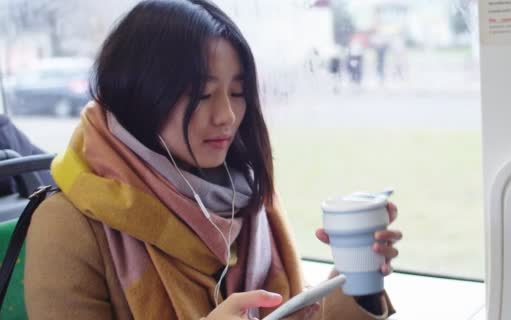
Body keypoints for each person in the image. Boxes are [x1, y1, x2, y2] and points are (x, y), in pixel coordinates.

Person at [23, 1, 403, 319]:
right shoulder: (67, 225)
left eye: (237, 92)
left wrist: (356, 277)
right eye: (203, 95)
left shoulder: (245, 195)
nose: (227, 115)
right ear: (139, 95)